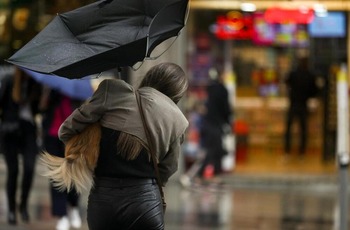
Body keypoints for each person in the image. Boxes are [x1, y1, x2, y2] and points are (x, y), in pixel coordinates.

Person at [57, 62, 189, 230]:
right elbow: (167, 170)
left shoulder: (112, 95)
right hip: (145, 202)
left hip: (103, 200)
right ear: (177, 92)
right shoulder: (178, 120)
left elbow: (66, 131)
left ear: (149, 77)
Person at [0, 67, 42, 225]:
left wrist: (42, 98)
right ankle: (11, 210)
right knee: (13, 171)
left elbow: (38, 110)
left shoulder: (36, 83)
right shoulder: (9, 80)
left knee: (30, 168)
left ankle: (23, 205)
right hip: (10, 131)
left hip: (28, 131)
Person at [39, 88, 82, 230]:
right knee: (56, 176)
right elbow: (41, 108)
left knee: (73, 173)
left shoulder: (77, 90)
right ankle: (61, 215)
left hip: (71, 136)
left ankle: (73, 206)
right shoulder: (52, 88)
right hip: (52, 135)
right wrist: (46, 95)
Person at [198, 68, 232, 179]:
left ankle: (215, 172)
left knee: (215, 148)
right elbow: (226, 109)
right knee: (214, 149)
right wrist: (228, 122)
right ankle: (203, 172)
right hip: (217, 124)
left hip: (208, 123)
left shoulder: (209, 89)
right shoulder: (222, 90)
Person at [284, 57, 317, 159]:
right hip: (303, 105)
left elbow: (286, 83)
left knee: (288, 129)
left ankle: (287, 152)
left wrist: (290, 93)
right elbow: (314, 91)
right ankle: (302, 153)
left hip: (293, 104)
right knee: (303, 130)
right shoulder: (310, 75)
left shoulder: (293, 73)